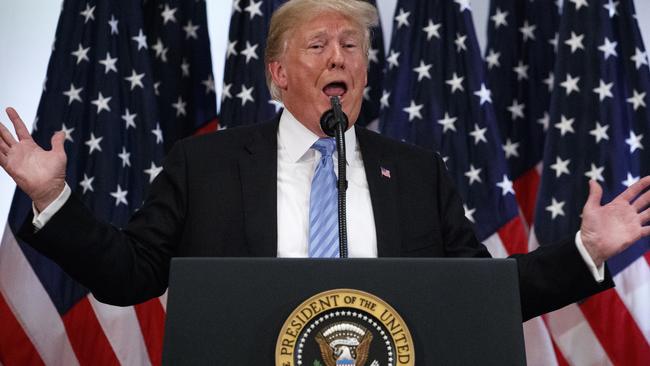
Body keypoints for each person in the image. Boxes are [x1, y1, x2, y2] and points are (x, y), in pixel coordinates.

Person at [0, 0, 648, 321]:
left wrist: (585, 252)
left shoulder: (417, 174)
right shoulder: (205, 166)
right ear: (278, 75)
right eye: (318, 44)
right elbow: (128, 275)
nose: (339, 56)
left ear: (366, 70)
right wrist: (52, 202)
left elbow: (474, 298)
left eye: (352, 45)